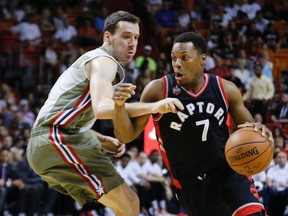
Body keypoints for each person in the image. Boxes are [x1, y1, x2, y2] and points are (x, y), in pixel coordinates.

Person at [26, 10, 182, 216]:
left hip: (52, 142)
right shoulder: (104, 61)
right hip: (55, 140)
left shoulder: (97, 64)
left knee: (125, 205)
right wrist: (154, 106)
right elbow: (102, 109)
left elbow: (72, 115)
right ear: (108, 37)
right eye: (126, 36)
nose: (132, 43)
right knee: (128, 204)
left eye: (136, 37)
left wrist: (99, 139)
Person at [112, 32, 274, 216]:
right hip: (189, 184)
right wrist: (119, 106)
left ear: (202, 59)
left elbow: (250, 129)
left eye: (184, 57)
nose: (177, 63)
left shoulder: (225, 89)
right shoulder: (158, 90)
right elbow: (126, 136)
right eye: (174, 58)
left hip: (228, 174)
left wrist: (260, 131)